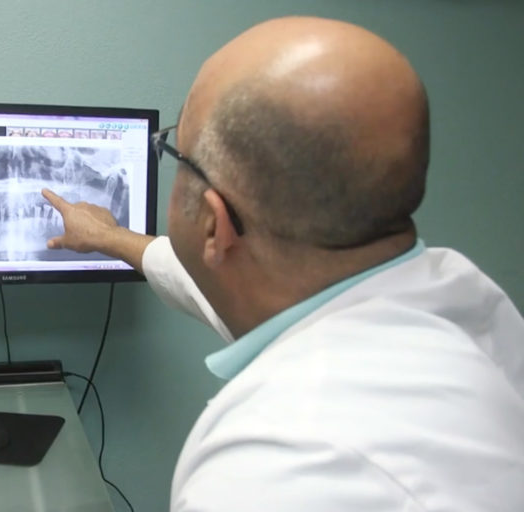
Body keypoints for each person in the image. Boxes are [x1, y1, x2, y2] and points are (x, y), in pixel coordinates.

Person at [42, 16, 524, 511]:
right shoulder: (469, 303)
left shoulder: (276, 466)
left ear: (214, 224)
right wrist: (111, 237)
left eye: (173, 150)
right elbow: (210, 275)